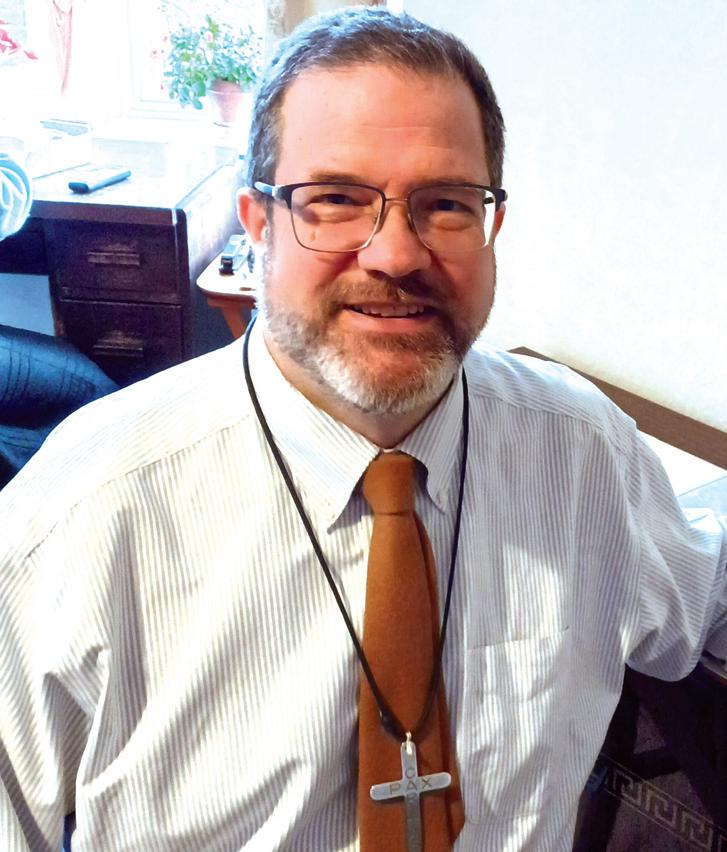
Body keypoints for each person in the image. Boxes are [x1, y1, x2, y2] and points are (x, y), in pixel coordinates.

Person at [1, 7, 725, 852]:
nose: (394, 254)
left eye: (444, 204)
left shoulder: (582, 453)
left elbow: (702, 595)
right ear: (258, 223)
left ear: (490, 226)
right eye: (336, 200)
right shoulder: (78, 518)